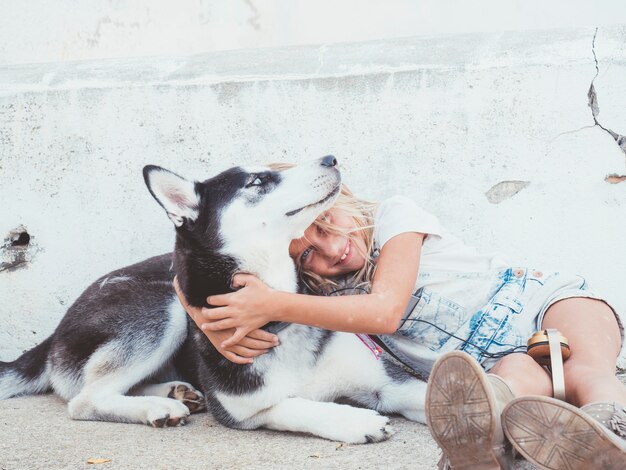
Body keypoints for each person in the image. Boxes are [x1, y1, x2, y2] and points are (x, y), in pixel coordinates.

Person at [175, 179, 626, 470]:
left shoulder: (396, 219)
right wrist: (200, 315)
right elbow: (182, 270)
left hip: (545, 301)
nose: (331, 249)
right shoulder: (328, 296)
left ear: (342, 200)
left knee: (589, 371)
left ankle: (609, 434)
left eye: (327, 224)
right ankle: (484, 440)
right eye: (308, 252)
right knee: (507, 385)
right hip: (495, 360)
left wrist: (272, 302)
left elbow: (385, 309)